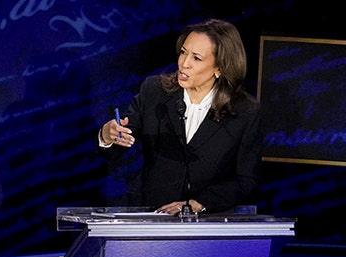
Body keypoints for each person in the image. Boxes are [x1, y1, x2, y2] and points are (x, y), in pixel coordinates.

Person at [98, 18, 262, 216]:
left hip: (207, 223)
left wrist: (197, 203)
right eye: (183, 53)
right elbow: (119, 141)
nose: (184, 64)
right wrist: (107, 136)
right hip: (149, 215)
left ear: (220, 68)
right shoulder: (155, 91)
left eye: (196, 58)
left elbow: (246, 180)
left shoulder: (245, 111)